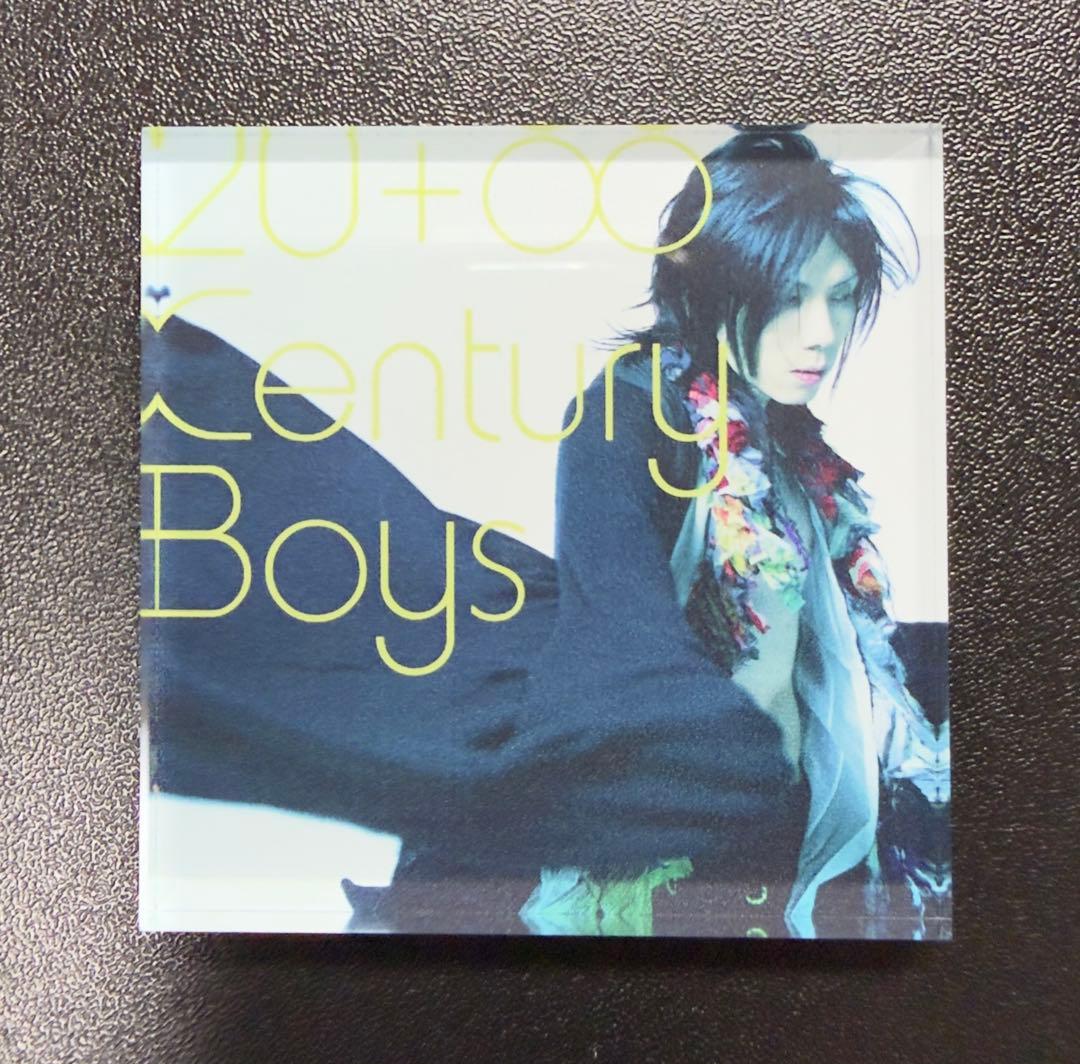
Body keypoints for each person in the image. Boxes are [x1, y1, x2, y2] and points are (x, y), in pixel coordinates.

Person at [141, 128, 950, 939]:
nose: (820, 331)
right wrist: (726, 759)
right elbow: (622, 624)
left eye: (841, 296)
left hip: (775, 851)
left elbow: (843, 658)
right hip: (660, 838)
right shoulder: (629, 412)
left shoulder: (797, 458)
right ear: (717, 283)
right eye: (790, 295)